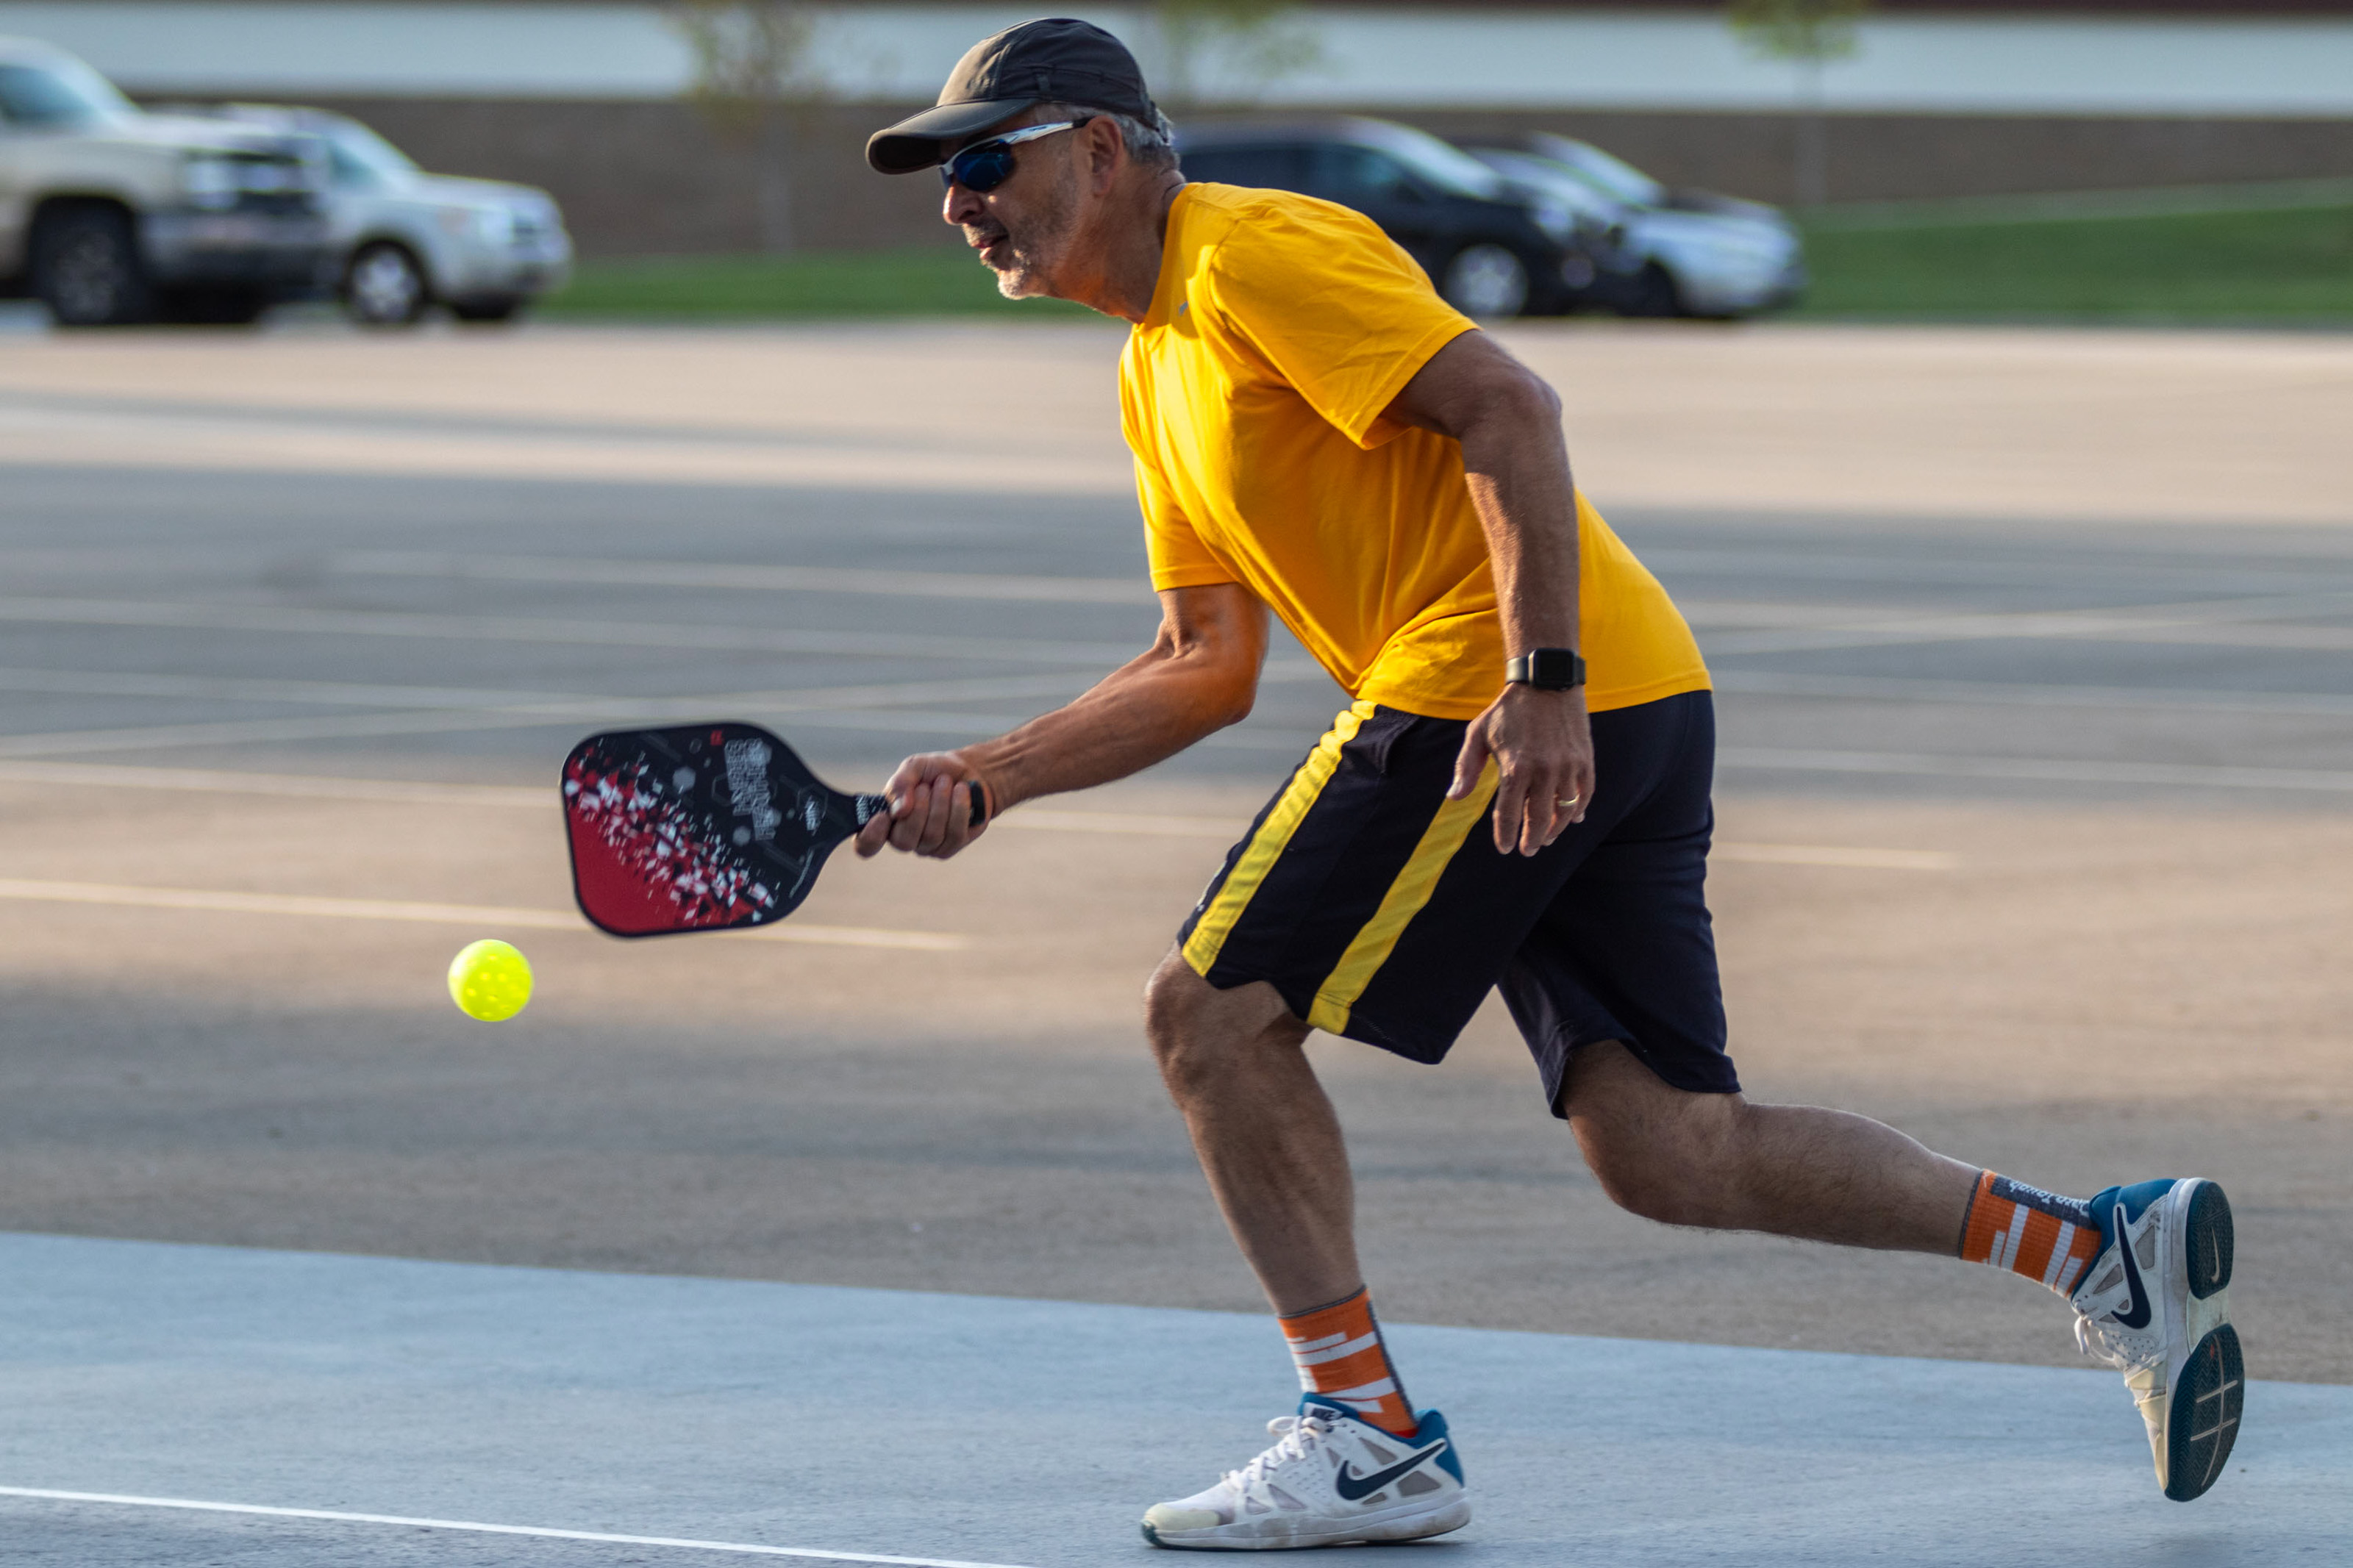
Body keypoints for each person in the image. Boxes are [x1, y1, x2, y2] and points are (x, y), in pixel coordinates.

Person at [860, 18, 2242, 1552]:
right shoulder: (1150, 369)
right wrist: (987, 780)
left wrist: (1540, 682)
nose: (958, 200)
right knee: (1663, 1146)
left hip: (1502, 691)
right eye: (940, 175)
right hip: (1621, 690)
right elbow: (1203, 661)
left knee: (1208, 1015)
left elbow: (1509, 403)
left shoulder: (1247, 252)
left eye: (985, 158)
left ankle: (1370, 1432)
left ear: (1101, 147)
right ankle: (2103, 1250)